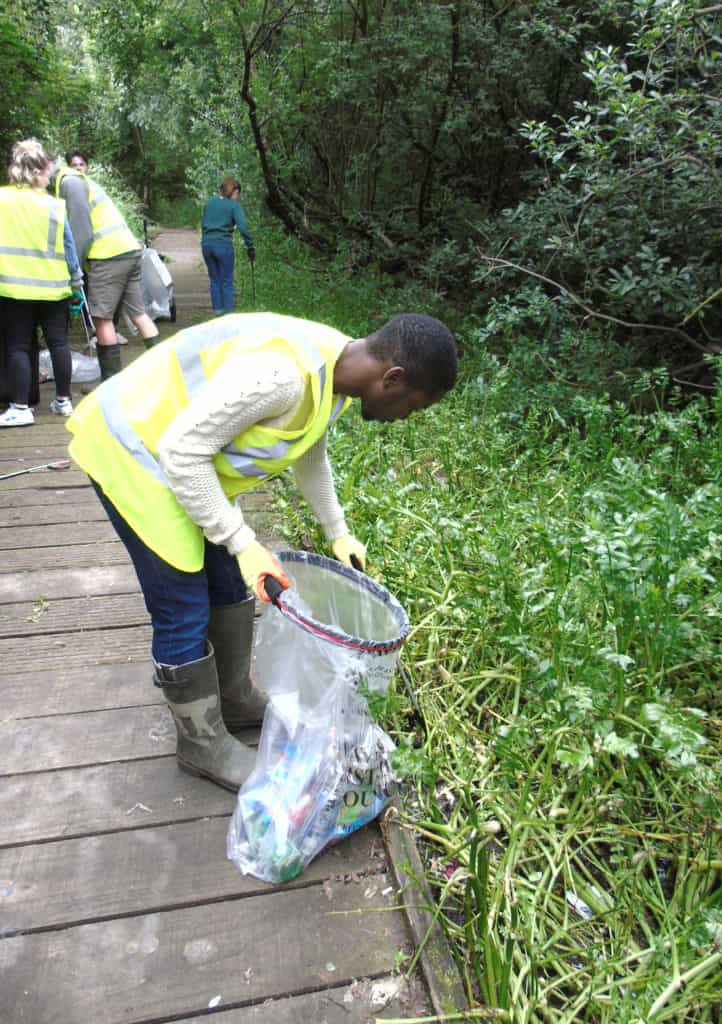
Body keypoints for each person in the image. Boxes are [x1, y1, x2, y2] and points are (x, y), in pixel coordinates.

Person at [66, 311, 458, 791]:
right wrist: (242, 540)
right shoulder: (283, 378)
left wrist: (337, 531)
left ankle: (232, 698)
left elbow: (309, 451)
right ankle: (200, 741)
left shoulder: (337, 371)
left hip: (181, 459)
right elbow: (181, 453)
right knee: (182, 605)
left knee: (230, 582)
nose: (405, 420)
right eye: (413, 408)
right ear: (393, 379)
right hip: (137, 452)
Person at [54, 149, 160, 382]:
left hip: (108, 255)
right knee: (139, 313)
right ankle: (165, 371)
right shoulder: (81, 181)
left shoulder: (68, 184)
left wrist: (75, 269)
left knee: (102, 318)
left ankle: (111, 385)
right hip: (129, 250)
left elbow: (81, 231)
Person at [0, 139, 84, 426]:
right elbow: (69, 249)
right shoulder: (54, 206)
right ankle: (64, 401)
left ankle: (21, 408)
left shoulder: (1, 200)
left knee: (18, 347)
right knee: (58, 342)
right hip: (54, 287)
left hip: (14, 287)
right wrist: (77, 285)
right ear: (39, 171)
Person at [201, 176, 255, 315]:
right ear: (234, 191)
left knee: (214, 280)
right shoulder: (233, 205)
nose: (238, 197)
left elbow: (204, 224)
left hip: (207, 245)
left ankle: (218, 314)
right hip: (223, 245)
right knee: (226, 281)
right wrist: (251, 246)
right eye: (238, 194)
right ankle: (229, 316)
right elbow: (243, 227)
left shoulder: (209, 203)